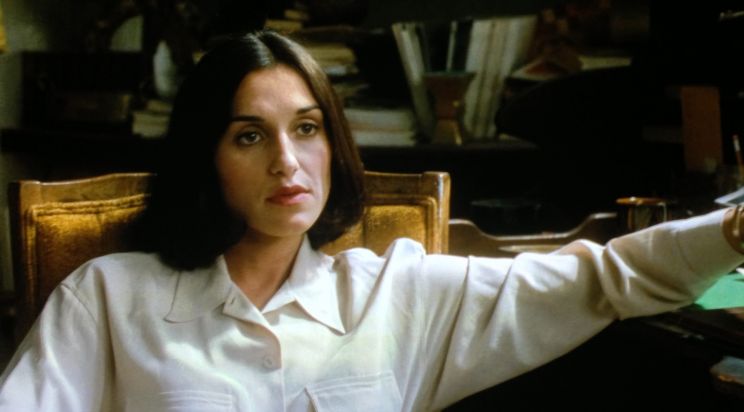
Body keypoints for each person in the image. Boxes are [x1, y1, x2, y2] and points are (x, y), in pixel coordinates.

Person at [1, 30, 743, 411]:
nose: (287, 163)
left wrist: (732, 232)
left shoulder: (395, 293)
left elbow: (606, 278)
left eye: (308, 129)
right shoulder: (108, 295)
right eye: (249, 136)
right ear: (206, 157)